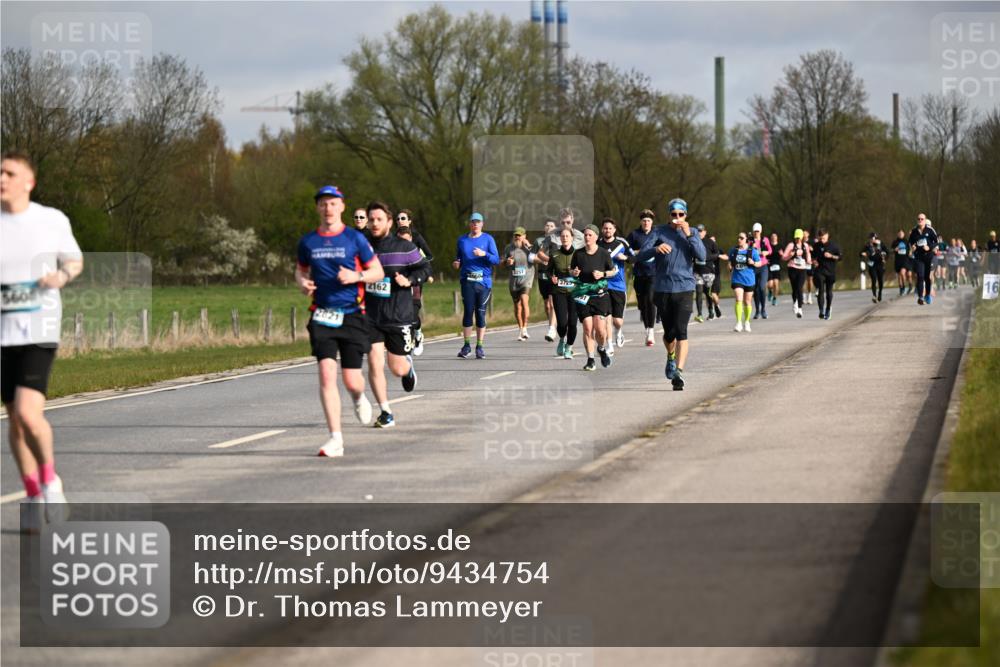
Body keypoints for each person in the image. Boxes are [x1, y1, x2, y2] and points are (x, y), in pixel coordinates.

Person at [2, 151, 82, 531]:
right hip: (2, 332)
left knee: (28, 413)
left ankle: (51, 483)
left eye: (9, 173)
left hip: (39, 328)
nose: (2, 178)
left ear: (28, 182)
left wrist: (60, 277)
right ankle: (33, 493)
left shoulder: (51, 220)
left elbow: (74, 261)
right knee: (15, 421)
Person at [296, 185, 385, 458]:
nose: (328, 208)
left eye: (333, 203)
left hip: (352, 314)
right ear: (317, 207)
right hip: (322, 314)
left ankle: (358, 397)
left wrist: (357, 277)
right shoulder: (308, 242)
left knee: (352, 380)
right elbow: (300, 270)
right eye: (323, 203)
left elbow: (377, 271)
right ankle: (336, 438)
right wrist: (303, 283)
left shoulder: (354, 239)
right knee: (326, 373)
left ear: (342, 207)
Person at [363, 202, 431, 428]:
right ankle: (385, 412)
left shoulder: (404, 247)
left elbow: (425, 268)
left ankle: (407, 367)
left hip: (398, 315)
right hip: (371, 315)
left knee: (396, 368)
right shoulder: (362, 247)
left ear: (389, 222)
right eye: (371, 219)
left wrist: (409, 280)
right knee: (374, 362)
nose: (374, 223)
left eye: (379, 219)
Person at [634, 198, 706, 391]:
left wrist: (689, 235)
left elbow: (702, 256)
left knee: (682, 331)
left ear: (686, 215)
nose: (677, 217)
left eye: (681, 214)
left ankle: (678, 373)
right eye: (674, 214)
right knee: (669, 334)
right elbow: (641, 255)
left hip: (685, 288)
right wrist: (655, 249)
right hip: (663, 289)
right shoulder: (659, 231)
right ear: (669, 215)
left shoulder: (693, 232)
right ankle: (671, 356)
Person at [453, 212, 500, 358]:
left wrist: (484, 254)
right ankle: (466, 346)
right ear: (470, 224)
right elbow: (458, 258)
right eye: (473, 222)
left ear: (482, 224)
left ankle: (479, 346)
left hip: (483, 282)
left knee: (480, 313)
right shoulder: (462, 240)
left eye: (478, 222)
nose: (475, 224)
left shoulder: (488, 239)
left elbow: (496, 260)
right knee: (468, 312)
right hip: (467, 281)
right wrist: (456, 263)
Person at [572, 224, 616, 370]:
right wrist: (574, 273)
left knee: (600, 330)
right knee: (587, 327)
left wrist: (603, 274)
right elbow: (572, 270)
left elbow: (612, 271)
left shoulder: (603, 253)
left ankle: (601, 348)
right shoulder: (578, 254)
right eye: (585, 235)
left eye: (590, 235)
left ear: (596, 237)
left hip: (599, 295)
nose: (587, 237)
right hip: (583, 294)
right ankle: (590, 359)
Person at [395, 210, 432, 356]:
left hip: (414, 280)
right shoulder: (392, 238)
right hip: (399, 281)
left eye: (403, 218)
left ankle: (417, 334)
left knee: (413, 313)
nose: (400, 220)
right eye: (398, 218)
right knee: (401, 314)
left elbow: (429, 256)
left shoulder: (416, 237)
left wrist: (424, 272)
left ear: (410, 220)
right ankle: (406, 344)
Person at [597, 217, 632, 350]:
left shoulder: (621, 244)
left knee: (617, 321)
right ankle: (609, 345)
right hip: (602, 284)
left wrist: (625, 257)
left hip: (618, 285)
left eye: (610, 228)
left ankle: (619, 331)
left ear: (614, 230)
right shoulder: (597, 244)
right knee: (606, 317)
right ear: (602, 229)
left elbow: (634, 258)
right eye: (605, 228)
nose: (607, 230)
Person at [626, 209, 658, 346]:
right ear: (640, 222)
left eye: (648, 221)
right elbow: (626, 250)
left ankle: (651, 331)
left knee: (650, 300)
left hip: (653, 273)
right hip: (639, 273)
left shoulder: (657, 234)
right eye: (644, 220)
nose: (646, 223)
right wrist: (636, 252)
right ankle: (647, 329)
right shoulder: (634, 235)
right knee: (642, 304)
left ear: (652, 222)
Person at [548, 227, 579, 359]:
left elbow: (585, 270)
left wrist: (578, 273)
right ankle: (562, 338)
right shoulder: (554, 254)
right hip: (559, 291)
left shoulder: (579, 254)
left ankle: (569, 347)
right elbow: (548, 271)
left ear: (572, 238)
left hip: (575, 292)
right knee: (562, 323)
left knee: (572, 322)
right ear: (560, 239)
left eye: (567, 236)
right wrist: (552, 277)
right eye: (562, 236)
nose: (565, 238)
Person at [503, 227, 536, 341]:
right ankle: (521, 329)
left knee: (524, 300)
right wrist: (507, 262)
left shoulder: (530, 248)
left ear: (524, 236)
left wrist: (529, 246)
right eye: (516, 235)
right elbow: (501, 262)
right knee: (517, 306)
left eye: (520, 235)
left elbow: (537, 257)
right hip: (514, 280)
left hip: (527, 278)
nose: (517, 237)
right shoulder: (508, 248)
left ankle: (525, 328)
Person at [728, 232, 761, 332]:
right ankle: (738, 323)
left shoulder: (752, 251)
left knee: (747, 301)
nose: (739, 239)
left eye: (741, 238)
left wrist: (753, 262)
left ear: (746, 239)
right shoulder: (733, 250)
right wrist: (729, 266)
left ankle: (747, 321)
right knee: (739, 299)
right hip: (737, 278)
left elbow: (759, 263)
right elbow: (730, 262)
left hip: (749, 279)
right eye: (738, 238)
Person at [534, 219, 558, 341]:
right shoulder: (538, 241)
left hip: (553, 274)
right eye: (547, 225)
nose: (549, 227)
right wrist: (541, 260)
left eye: (552, 225)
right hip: (542, 274)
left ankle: (551, 329)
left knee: (552, 302)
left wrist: (552, 262)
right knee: (547, 305)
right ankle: (552, 324)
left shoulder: (558, 240)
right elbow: (531, 256)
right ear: (544, 227)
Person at [779, 228, 812, 318]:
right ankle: (795, 303)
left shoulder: (805, 246)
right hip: (792, 268)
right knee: (794, 289)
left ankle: (800, 309)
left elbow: (808, 255)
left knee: (799, 288)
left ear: (802, 237)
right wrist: (790, 255)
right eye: (796, 238)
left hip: (802, 269)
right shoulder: (791, 245)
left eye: (799, 238)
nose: (797, 239)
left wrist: (809, 261)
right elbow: (783, 257)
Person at [810, 228, 841, 319]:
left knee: (828, 292)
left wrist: (831, 256)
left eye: (823, 238)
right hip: (820, 271)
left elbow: (840, 257)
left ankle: (828, 308)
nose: (821, 240)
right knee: (820, 290)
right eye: (820, 238)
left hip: (830, 271)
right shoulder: (816, 245)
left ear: (827, 236)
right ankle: (821, 310)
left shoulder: (834, 246)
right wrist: (814, 261)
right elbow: (812, 257)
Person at [909, 213, 939, 305]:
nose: (920, 220)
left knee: (927, 277)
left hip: (928, 256)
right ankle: (920, 297)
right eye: (918, 219)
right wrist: (912, 247)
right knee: (920, 276)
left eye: (922, 219)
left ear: (925, 220)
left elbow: (936, 242)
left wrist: (929, 247)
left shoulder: (930, 230)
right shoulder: (914, 231)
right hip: (919, 257)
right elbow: (910, 242)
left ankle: (928, 295)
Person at [693, 224, 719, 323]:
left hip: (709, 272)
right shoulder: (693, 241)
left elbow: (717, 254)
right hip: (697, 272)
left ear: (705, 232)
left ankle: (711, 309)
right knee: (698, 291)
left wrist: (706, 258)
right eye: (697, 231)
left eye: (701, 231)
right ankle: (699, 314)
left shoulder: (710, 242)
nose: (699, 233)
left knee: (708, 293)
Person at [749, 222, 773, 319]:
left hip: (763, 266)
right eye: (755, 231)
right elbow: (748, 251)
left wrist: (766, 252)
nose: (756, 233)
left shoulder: (765, 240)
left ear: (761, 231)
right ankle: (757, 310)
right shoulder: (750, 241)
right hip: (754, 266)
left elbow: (770, 250)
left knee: (762, 287)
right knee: (755, 289)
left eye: (758, 231)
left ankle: (763, 309)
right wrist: (753, 247)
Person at [861, 233, 887, 303]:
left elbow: (887, 252)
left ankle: (880, 293)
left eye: (872, 238)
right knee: (874, 279)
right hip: (872, 265)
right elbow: (861, 253)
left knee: (880, 280)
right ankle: (874, 296)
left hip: (880, 264)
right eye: (870, 238)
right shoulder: (867, 245)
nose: (871, 240)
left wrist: (884, 258)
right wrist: (863, 254)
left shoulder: (881, 244)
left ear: (875, 238)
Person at [891, 229, 913, 296]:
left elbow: (911, 248)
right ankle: (901, 288)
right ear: (897, 234)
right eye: (899, 233)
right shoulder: (895, 242)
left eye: (902, 233)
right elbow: (891, 250)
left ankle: (909, 286)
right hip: (898, 260)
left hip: (905, 260)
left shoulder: (906, 241)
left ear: (904, 234)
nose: (900, 234)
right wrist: (894, 250)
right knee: (899, 275)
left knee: (903, 273)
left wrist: (910, 252)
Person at [709, 233, 724, 319]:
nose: (712, 242)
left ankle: (716, 306)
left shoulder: (719, 249)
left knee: (714, 294)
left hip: (716, 274)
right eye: (711, 240)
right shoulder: (705, 249)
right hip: (707, 273)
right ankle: (711, 311)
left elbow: (726, 257)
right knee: (709, 294)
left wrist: (719, 255)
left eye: (714, 240)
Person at [767, 232, 782, 306]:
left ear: (777, 238)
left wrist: (782, 254)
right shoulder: (768, 246)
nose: (773, 237)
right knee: (770, 284)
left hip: (777, 267)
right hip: (769, 266)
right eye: (772, 236)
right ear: (771, 238)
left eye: (775, 236)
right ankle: (770, 291)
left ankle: (775, 298)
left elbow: (783, 256)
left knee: (776, 284)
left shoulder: (780, 246)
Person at [801, 229, 815, 305]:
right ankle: (803, 296)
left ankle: (809, 296)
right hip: (802, 263)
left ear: (808, 235)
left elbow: (815, 252)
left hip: (809, 264)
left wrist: (812, 249)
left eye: (806, 234)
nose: (804, 236)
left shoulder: (812, 242)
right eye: (803, 234)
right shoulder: (800, 243)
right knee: (803, 280)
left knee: (810, 280)